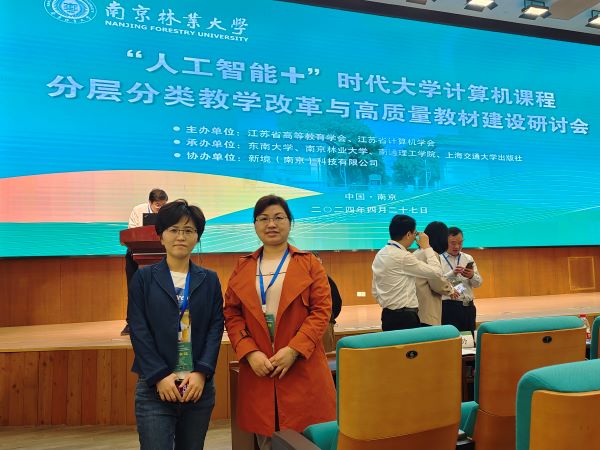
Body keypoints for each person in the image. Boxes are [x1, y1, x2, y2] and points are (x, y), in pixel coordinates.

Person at [224, 195, 336, 450]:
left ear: (290, 222)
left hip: (302, 368)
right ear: (255, 225)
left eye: (278, 218)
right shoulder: (243, 267)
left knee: (307, 441)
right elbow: (231, 313)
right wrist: (250, 352)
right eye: (263, 219)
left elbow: (321, 311)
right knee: (267, 440)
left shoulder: (309, 263)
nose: (271, 224)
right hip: (260, 369)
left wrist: (294, 349)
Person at [127, 199, 224, 450]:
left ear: (197, 237)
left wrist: (202, 372)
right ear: (161, 236)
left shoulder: (210, 280)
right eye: (173, 230)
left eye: (188, 230)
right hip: (155, 388)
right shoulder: (144, 278)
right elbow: (138, 329)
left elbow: (215, 328)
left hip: (197, 387)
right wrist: (160, 375)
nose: (181, 236)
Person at [372, 214, 444, 331]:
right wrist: (427, 247)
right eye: (415, 233)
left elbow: (375, 290)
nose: (416, 237)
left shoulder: (380, 254)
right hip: (405, 317)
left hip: (387, 315)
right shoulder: (403, 256)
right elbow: (437, 272)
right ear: (408, 234)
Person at [123, 188, 169, 335]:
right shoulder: (138, 210)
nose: (161, 208)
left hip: (161, 254)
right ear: (150, 202)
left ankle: (160, 321)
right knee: (134, 288)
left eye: (163, 204)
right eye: (158, 205)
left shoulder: (169, 212)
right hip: (136, 255)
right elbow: (131, 232)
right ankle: (131, 322)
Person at [413, 221, 457, 326]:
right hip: (427, 310)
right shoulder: (431, 254)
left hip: (417, 309)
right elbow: (436, 280)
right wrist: (450, 290)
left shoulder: (416, 253)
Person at [441, 226, 483, 334]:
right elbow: (437, 282)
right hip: (448, 308)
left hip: (468, 307)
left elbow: (478, 283)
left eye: (460, 243)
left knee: (470, 340)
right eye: (453, 243)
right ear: (445, 242)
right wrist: (452, 273)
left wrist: (471, 276)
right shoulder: (438, 258)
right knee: (452, 339)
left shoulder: (468, 258)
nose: (457, 246)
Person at [312, 251, 343, 353]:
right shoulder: (302, 280)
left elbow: (336, 301)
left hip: (324, 323)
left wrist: (330, 318)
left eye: (317, 261)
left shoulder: (326, 278)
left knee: (326, 355)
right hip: (309, 326)